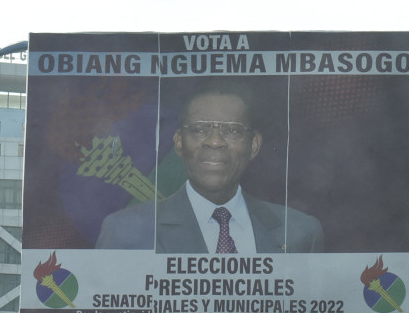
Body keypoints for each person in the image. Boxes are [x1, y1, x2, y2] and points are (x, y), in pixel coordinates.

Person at [96, 81, 324, 253]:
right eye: (199, 129)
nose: (214, 141)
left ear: (253, 145)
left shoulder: (300, 233)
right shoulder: (124, 232)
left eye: (232, 130)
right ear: (179, 143)